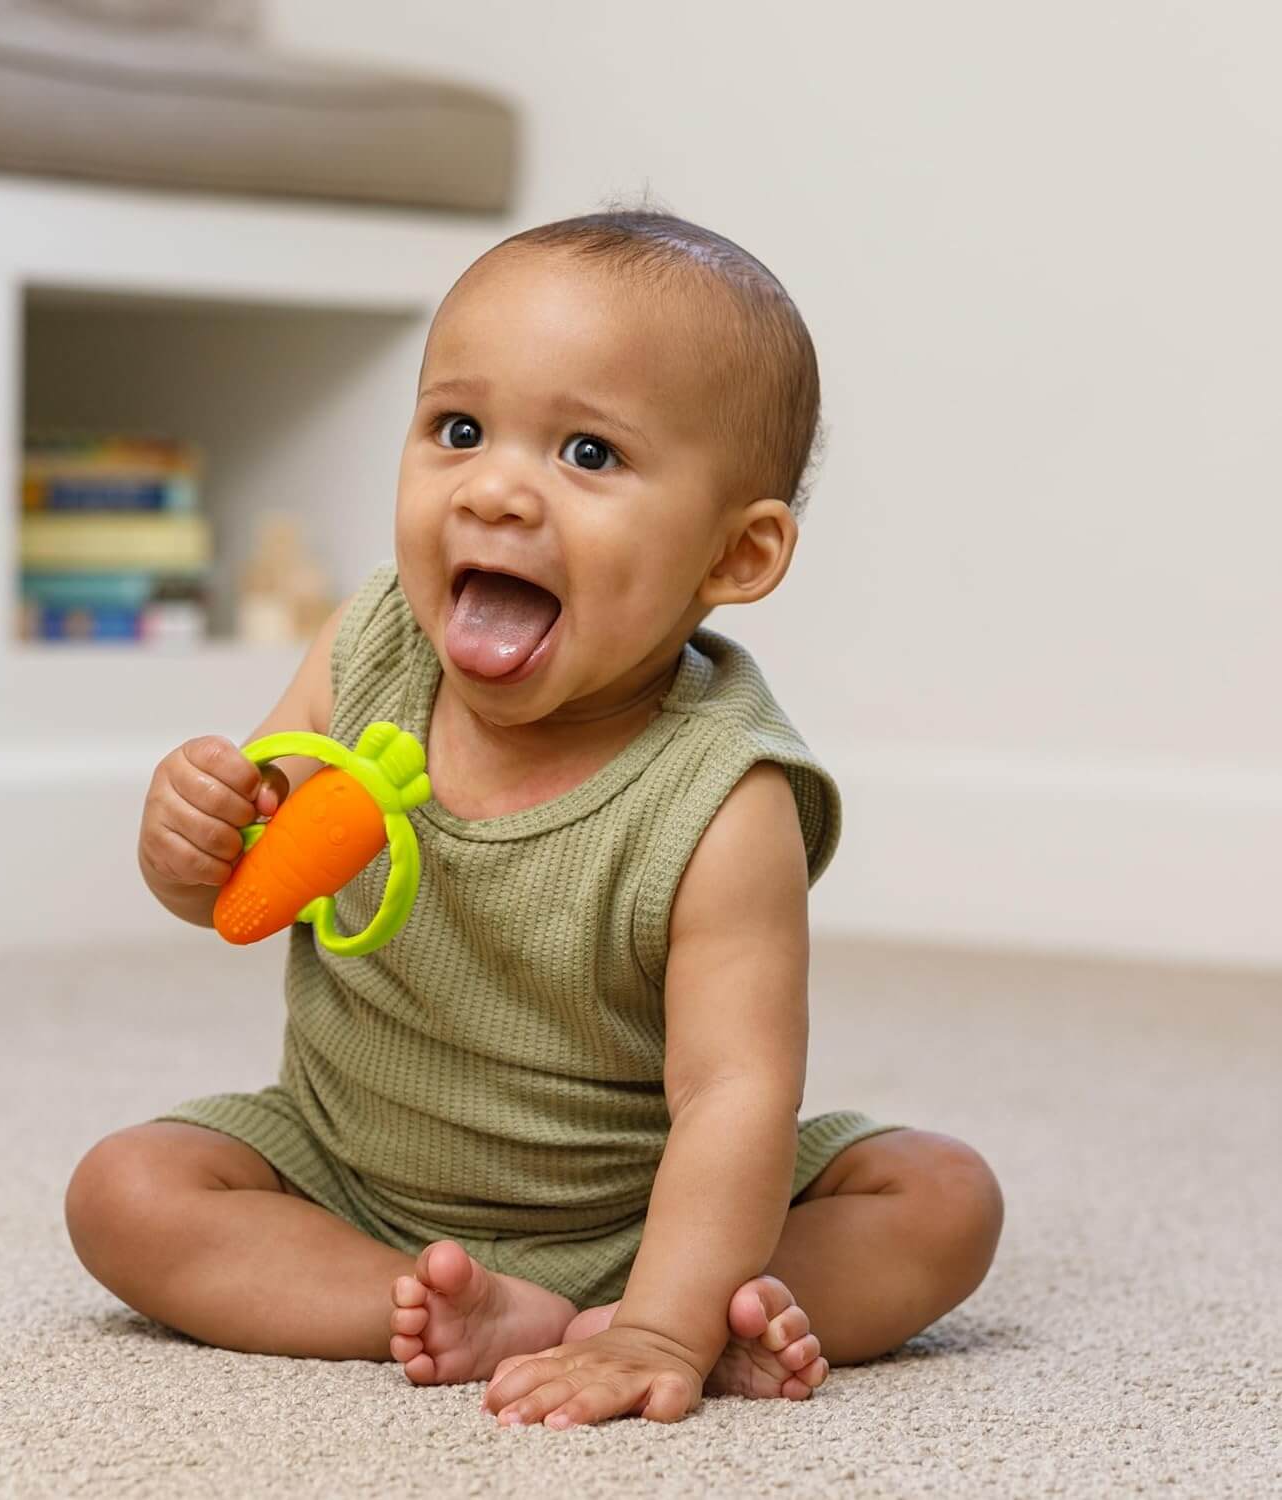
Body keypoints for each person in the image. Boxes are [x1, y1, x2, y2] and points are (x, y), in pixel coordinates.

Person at [64, 209, 1004, 1430]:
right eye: (458, 430)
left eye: (590, 455)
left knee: (941, 1200)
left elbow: (734, 1093)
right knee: (126, 1190)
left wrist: (664, 1321)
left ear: (738, 553)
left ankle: (663, 1316)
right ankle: (427, 1305)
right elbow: (246, 883)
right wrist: (188, 850)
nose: (497, 488)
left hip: (646, 1213)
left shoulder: (724, 796)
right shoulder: (369, 652)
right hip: (349, 1169)